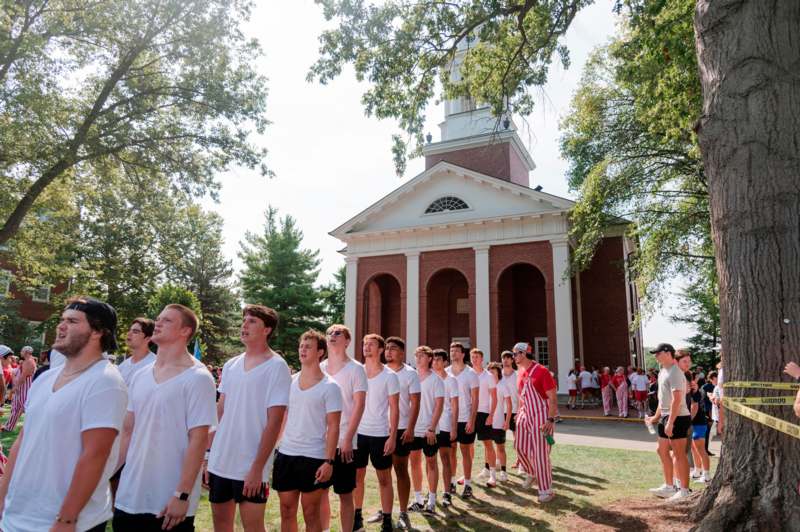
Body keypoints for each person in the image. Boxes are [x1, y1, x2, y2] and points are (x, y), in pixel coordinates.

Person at [0, 296, 128, 531]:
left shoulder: (105, 382)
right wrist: (2, 498)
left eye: (72, 321)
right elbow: (21, 441)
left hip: (67, 521)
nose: (61, 326)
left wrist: (67, 519)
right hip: (17, 514)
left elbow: (95, 455)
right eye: (62, 320)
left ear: (98, 331)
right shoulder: (45, 378)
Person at [113, 304, 217, 531]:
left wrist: (182, 494)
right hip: (129, 497)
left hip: (169, 504)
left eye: (167, 320)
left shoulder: (199, 378)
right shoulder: (140, 375)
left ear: (185, 331)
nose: (157, 323)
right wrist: (105, 475)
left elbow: (199, 440)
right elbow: (128, 431)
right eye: (158, 318)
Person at [206, 305, 291, 532]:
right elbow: (220, 412)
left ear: (267, 329)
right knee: (221, 526)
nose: (245, 324)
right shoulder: (231, 365)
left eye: (252, 321)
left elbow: (275, 422)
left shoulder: (277, 367)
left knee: (253, 528)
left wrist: (257, 468)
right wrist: (207, 456)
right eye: (244, 320)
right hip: (220, 462)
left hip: (251, 465)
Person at [272, 330, 341, 532]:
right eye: (301, 345)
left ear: (320, 352)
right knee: (286, 510)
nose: (303, 349)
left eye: (308, 346)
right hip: (286, 454)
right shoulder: (289, 381)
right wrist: (274, 447)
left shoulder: (331, 387)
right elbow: (282, 416)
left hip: (314, 457)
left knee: (311, 513)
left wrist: (329, 461)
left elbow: (334, 426)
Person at [319, 325, 367, 532]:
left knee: (345, 494)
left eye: (338, 333)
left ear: (347, 341)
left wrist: (348, 438)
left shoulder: (356, 369)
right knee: (320, 493)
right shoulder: (319, 368)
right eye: (329, 333)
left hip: (345, 442)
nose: (332, 336)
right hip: (320, 442)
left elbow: (359, 405)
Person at [353, 334, 399, 532]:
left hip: (380, 434)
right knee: (357, 477)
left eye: (371, 344)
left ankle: (387, 519)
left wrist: (393, 436)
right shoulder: (356, 372)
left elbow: (395, 408)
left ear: (381, 349)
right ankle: (357, 517)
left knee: (384, 479)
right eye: (364, 344)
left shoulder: (390, 376)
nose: (366, 347)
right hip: (358, 434)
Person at [645, 343, 692, 501]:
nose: (655, 356)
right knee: (661, 450)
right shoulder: (663, 371)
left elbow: (677, 399)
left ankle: (684, 491)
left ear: (667, 353)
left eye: (657, 353)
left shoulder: (675, 372)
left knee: (679, 454)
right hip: (666, 416)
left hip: (677, 417)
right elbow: (662, 399)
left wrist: (670, 422)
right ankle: (669, 486)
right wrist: (655, 418)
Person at [382, 337, 420, 530]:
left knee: (401, 470)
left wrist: (410, 428)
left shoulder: (410, 374)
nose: (388, 351)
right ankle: (385, 510)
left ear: (402, 353)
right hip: (381, 429)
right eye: (387, 348)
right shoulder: (380, 371)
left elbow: (415, 403)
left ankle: (404, 512)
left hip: (402, 428)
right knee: (383, 472)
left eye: (393, 349)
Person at [513, 342, 557, 502]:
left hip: (542, 416)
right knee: (519, 447)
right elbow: (522, 397)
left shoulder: (541, 371)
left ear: (523, 353)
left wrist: (550, 419)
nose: (513, 357)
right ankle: (532, 472)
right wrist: (519, 414)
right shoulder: (520, 372)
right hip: (525, 415)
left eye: (515, 354)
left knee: (540, 454)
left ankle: (546, 491)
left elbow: (552, 397)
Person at [407, 346, 444, 515]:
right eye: (417, 355)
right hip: (412, 428)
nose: (418, 358)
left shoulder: (436, 380)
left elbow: (439, 406)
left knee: (431, 462)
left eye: (422, 356)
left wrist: (431, 427)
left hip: (429, 430)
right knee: (414, 462)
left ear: (429, 358)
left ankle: (432, 500)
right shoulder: (411, 377)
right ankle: (418, 499)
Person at [447, 342, 479, 499]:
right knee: (451, 450)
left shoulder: (471, 373)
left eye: (456, 351)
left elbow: (475, 400)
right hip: (449, 420)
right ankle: (452, 482)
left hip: (465, 418)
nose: (453, 353)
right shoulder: (445, 372)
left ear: (463, 354)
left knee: (465, 451)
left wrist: (472, 421)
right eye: (451, 350)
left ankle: (467, 484)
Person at [431, 349, 458, 507]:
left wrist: (454, 427)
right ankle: (432, 492)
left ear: (445, 362)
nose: (435, 363)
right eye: (433, 360)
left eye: (439, 360)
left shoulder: (451, 380)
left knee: (445, 459)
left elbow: (455, 405)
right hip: (430, 426)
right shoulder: (429, 378)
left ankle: (447, 492)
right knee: (430, 461)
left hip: (446, 425)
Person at [470, 348, 498, 487]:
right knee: (468, 445)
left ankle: (492, 476)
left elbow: (494, 397)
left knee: (488, 444)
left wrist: (491, 415)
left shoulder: (488, 376)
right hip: (469, 414)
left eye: (477, 357)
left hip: (483, 413)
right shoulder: (468, 374)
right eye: (472, 357)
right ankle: (467, 475)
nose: (474, 359)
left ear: (482, 359)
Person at [487, 362, 512, 483]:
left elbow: (509, 404)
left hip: (499, 422)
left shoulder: (503, 385)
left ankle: (503, 471)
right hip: (487, 421)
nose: (491, 373)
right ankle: (487, 469)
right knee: (488, 447)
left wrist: (507, 422)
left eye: (493, 371)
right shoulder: (486, 385)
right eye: (489, 371)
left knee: (500, 447)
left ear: (498, 372)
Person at [3, 346, 36, 431]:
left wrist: (16, 386)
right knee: (15, 408)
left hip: (25, 388)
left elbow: (23, 376)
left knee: (26, 408)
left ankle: (33, 428)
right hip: (21, 388)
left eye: (22, 351)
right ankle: (9, 426)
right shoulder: (26, 361)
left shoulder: (29, 361)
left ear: (27, 352)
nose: (20, 352)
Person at [117, 318, 157, 387]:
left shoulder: (155, 365)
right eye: (129, 330)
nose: (129, 334)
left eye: (135, 332)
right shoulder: (122, 366)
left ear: (148, 338)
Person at [688, 373, 711, 484]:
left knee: (701, 449)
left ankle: (706, 475)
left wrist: (688, 421)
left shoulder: (695, 391)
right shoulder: (691, 390)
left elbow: (695, 407)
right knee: (694, 448)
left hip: (699, 423)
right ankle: (697, 471)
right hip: (694, 423)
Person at [499, 351, 519, 477]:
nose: (505, 360)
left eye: (508, 358)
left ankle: (520, 460)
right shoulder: (498, 375)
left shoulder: (517, 375)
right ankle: (498, 462)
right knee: (500, 439)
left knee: (517, 438)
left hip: (515, 410)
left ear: (512, 360)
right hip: (501, 411)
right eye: (503, 358)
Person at [701, 371, 717, 455]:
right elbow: (704, 401)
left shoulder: (715, 387)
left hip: (712, 412)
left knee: (708, 432)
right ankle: (705, 450)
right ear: (712, 379)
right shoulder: (707, 387)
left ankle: (705, 449)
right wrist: (708, 414)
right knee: (706, 432)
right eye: (716, 377)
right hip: (708, 412)